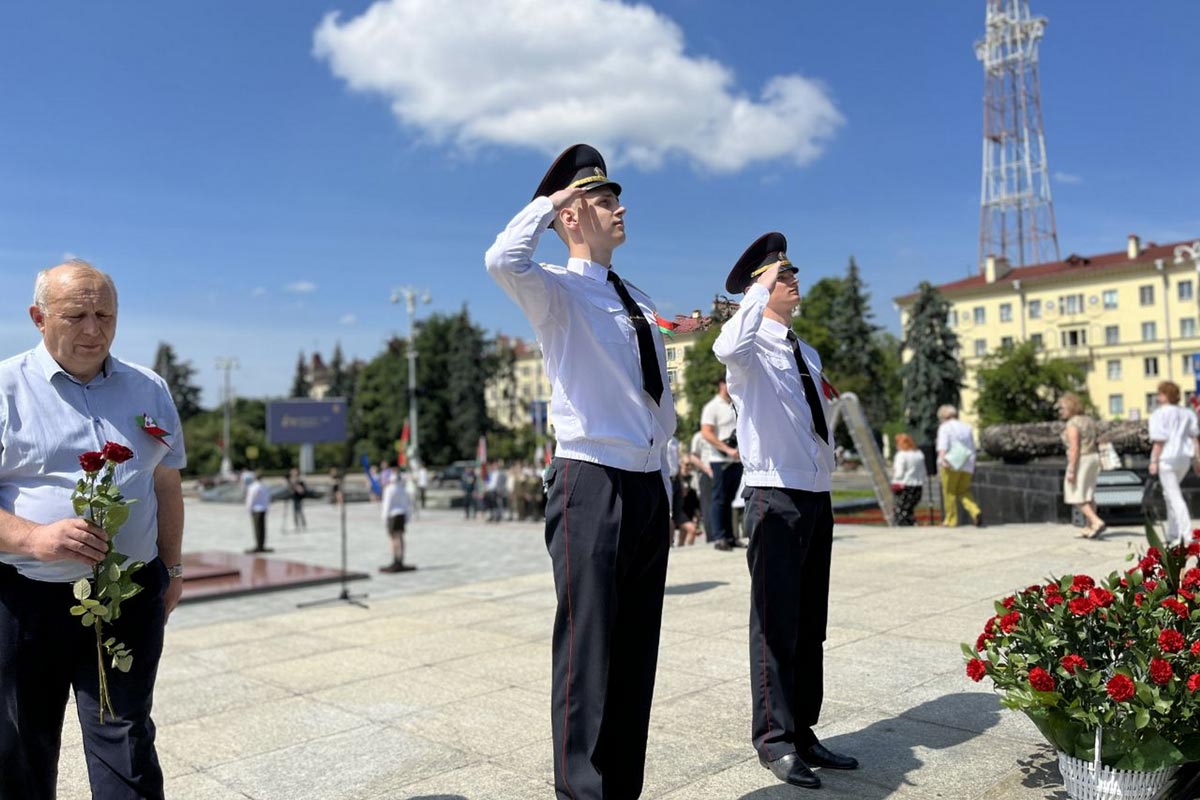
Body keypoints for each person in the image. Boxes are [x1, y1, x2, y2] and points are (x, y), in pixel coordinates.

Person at [485, 143, 675, 799]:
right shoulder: (555, 291)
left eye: (614, 197)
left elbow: (654, 398)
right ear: (571, 215)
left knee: (634, 654)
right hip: (590, 481)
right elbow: (499, 258)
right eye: (602, 199)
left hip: (647, 484)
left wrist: (665, 475)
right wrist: (551, 202)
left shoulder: (639, 299)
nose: (618, 207)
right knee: (587, 655)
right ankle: (580, 793)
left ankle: (622, 790)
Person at [0, 259, 187, 800]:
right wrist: (34, 538)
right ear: (39, 317)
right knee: (21, 743)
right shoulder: (6, 387)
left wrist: (171, 568)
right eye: (76, 314)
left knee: (126, 738)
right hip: (24, 600)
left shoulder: (148, 387)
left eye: (105, 314)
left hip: (128, 594)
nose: (93, 329)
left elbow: (166, 486)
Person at [713, 233, 858, 791]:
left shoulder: (805, 350)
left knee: (809, 621)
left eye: (792, 271)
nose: (792, 278)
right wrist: (757, 290)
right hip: (774, 494)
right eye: (780, 274)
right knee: (774, 625)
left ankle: (803, 729)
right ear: (757, 286)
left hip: (814, 493)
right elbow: (726, 345)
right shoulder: (747, 348)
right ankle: (773, 739)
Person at [1148, 380, 1200, 545]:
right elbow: (1194, 439)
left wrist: (1153, 461)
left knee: (1174, 495)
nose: (1158, 397)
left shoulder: (1158, 414)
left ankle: (1185, 533)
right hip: (1183, 459)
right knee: (1169, 494)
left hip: (1167, 458)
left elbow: (1159, 441)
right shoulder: (1187, 413)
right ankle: (1173, 532)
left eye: (1160, 393)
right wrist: (1197, 460)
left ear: (1165, 395)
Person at [701, 376, 743, 551]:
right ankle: (719, 537)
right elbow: (707, 433)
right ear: (721, 384)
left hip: (736, 459)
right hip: (720, 460)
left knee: (730, 499)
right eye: (726, 382)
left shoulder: (736, 404)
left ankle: (730, 537)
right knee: (719, 499)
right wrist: (727, 449)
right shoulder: (712, 407)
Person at [1057, 393, 1106, 538]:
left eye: (1062, 408)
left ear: (1071, 407)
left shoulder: (1073, 423)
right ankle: (1089, 527)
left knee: (1075, 493)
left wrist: (1072, 469)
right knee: (1088, 494)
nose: (1061, 411)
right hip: (1093, 457)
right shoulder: (1089, 420)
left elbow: (1074, 447)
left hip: (1082, 459)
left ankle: (1096, 521)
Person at [936, 405, 983, 528]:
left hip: (951, 462)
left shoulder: (945, 427)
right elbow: (972, 445)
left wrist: (942, 460)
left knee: (949, 492)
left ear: (943, 417)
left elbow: (943, 446)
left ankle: (950, 520)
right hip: (967, 462)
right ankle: (975, 511)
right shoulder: (966, 427)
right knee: (964, 490)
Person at [379, 470, 417, 573]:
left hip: (392, 515)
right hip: (402, 515)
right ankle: (401, 559)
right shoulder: (403, 489)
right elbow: (408, 504)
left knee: (393, 538)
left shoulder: (389, 489)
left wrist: (384, 518)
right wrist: (407, 517)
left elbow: (386, 505)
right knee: (400, 537)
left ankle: (395, 560)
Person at [891, 433, 927, 526]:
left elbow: (899, 473)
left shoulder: (901, 455)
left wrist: (894, 474)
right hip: (917, 486)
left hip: (904, 486)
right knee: (909, 510)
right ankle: (912, 525)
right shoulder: (919, 454)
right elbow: (923, 471)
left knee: (901, 511)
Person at [245, 471, 272, 553]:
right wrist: (267, 508)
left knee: (257, 528)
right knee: (263, 528)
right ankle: (262, 545)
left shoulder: (253, 487)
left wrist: (248, 508)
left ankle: (258, 546)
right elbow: (267, 498)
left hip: (256, 509)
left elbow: (250, 499)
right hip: (263, 509)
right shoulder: (264, 486)